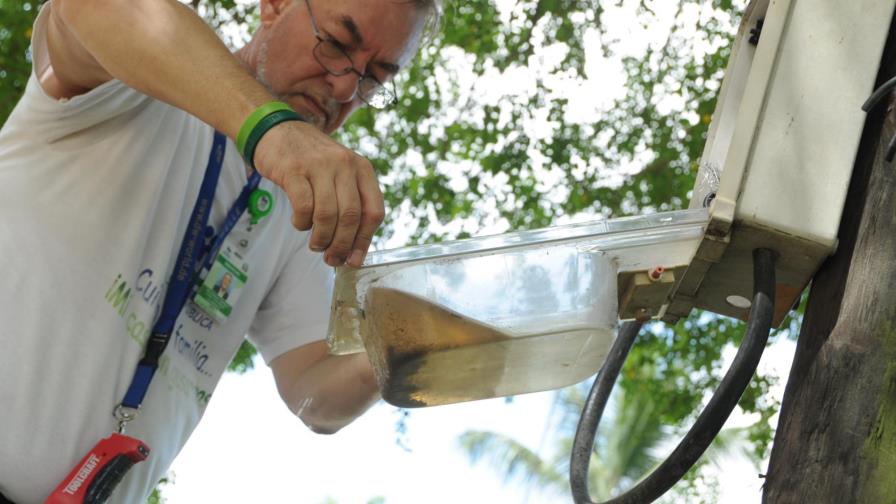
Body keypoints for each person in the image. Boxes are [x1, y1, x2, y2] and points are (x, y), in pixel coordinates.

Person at [0, 0, 440, 501]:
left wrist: (402, 347)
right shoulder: (136, 76)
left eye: (374, 78)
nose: (345, 88)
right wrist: (270, 128)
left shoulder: (297, 215)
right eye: (337, 44)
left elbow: (314, 395)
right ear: (273, 6)